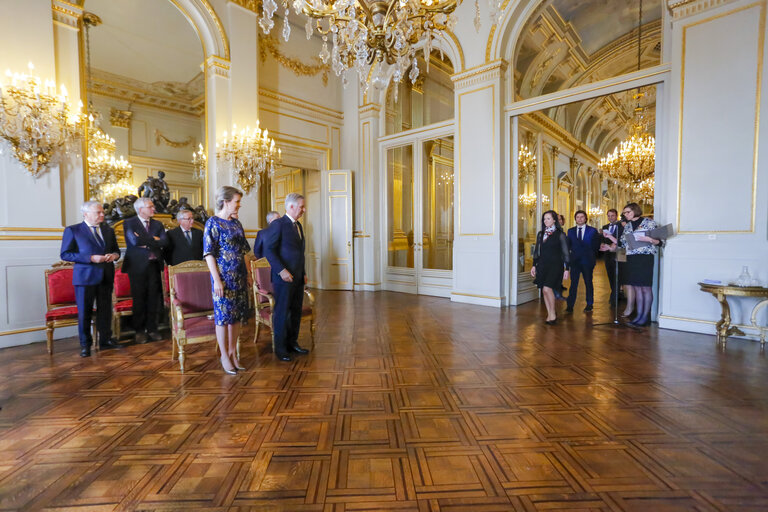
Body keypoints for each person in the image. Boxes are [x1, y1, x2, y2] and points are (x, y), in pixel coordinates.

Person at [60, 201, 122, 357]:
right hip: (84, 278)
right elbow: (65, 254)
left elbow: (116, 250)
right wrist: (90, 258)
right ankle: (85, 345)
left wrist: (114, 256)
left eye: (102, 212)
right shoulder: (73, 230)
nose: (102, 215)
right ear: (85, 214)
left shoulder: (108, 230)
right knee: (85, 312)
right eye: (98, 212)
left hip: (106, 276)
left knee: (105, 310)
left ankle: (105, 340)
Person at [203, 186, 253, 374]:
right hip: (222, 278)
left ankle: (233, 353)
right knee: (223, 317)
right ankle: (224, 355)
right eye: (236, 201)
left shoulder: (236, 224)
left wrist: (248, 274)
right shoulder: (212, 223)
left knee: (236, 316)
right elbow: (209, 254)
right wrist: (216, 280)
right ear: (226, 201)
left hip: (239, 276)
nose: (239, 205)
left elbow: (244, 251)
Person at [265, 193, 310, 361]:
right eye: (301, 207)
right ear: (291, 207)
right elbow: (269, 250)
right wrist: (281, 270)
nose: (304, 210)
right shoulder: (278, 224)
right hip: (282, 278)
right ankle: (281, 349)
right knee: (282, 312)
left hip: (298, 277)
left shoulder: (298, 225)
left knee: (296, 311)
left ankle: (292, 343)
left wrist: (303, 273)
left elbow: (299, 253)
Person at [123, 197, 168, 344]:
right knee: (139, 299)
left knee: (153, 299)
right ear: (140, 209)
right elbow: (134, 242)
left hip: (154, 265)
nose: (154, 209)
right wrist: (153, 240)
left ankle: (153, 329)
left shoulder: (158, 224)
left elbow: (164, 242)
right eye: (150, 207)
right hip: (136, 267)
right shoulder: (129, 223)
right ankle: (139, 331)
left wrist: (145, 240)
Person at [613, 202, 661, 327]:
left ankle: (645, 317)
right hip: (631, 258)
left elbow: (659, 242)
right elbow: (622, 243)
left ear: (635, 211)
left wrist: (648, 239)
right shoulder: (627, 226)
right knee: (636, 287)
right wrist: (611, 240)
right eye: (624, 213)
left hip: (645, 258)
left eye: (627, 212)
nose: (625, 215)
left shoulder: (649, 222)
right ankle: (638, 315)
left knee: (645, 287)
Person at [531, 210, 570, 324]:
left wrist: (567, 268)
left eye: (548, 218)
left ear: (554, 220)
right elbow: (537, 251)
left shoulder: (560, 234)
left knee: (548, 288)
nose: (546, 221)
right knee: (544, 290)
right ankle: (550, 313)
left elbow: (565, 252)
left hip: (555, 265)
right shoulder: (540, 234)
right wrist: (534, 265)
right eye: (544, 219)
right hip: (543, 265)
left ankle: (552, 314)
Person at [565, 210, 601, 313]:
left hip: (587, 261)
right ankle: (570, 305)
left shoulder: (592, 231)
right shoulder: (570, 231)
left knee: (588, 282)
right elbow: (569, 246)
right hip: (575, 261)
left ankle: (589, 304)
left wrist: (592, 257)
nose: (579, 219)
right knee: (573, 284)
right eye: (577, 217)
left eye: (582, 217)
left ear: (585, 219)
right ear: (575, 219)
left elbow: (596, 246)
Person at [600, 208, 624, 306]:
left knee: (618, 274)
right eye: (608, 216)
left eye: (612, 215)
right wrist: (602, 245)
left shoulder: (622, 225)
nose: (610, 217)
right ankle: (615, 293)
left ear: (617, 216)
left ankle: (614, 297)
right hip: (608, 254)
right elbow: (603, 239)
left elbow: (622, 239)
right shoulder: (605, 226)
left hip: (620, 252)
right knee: (610, 274)